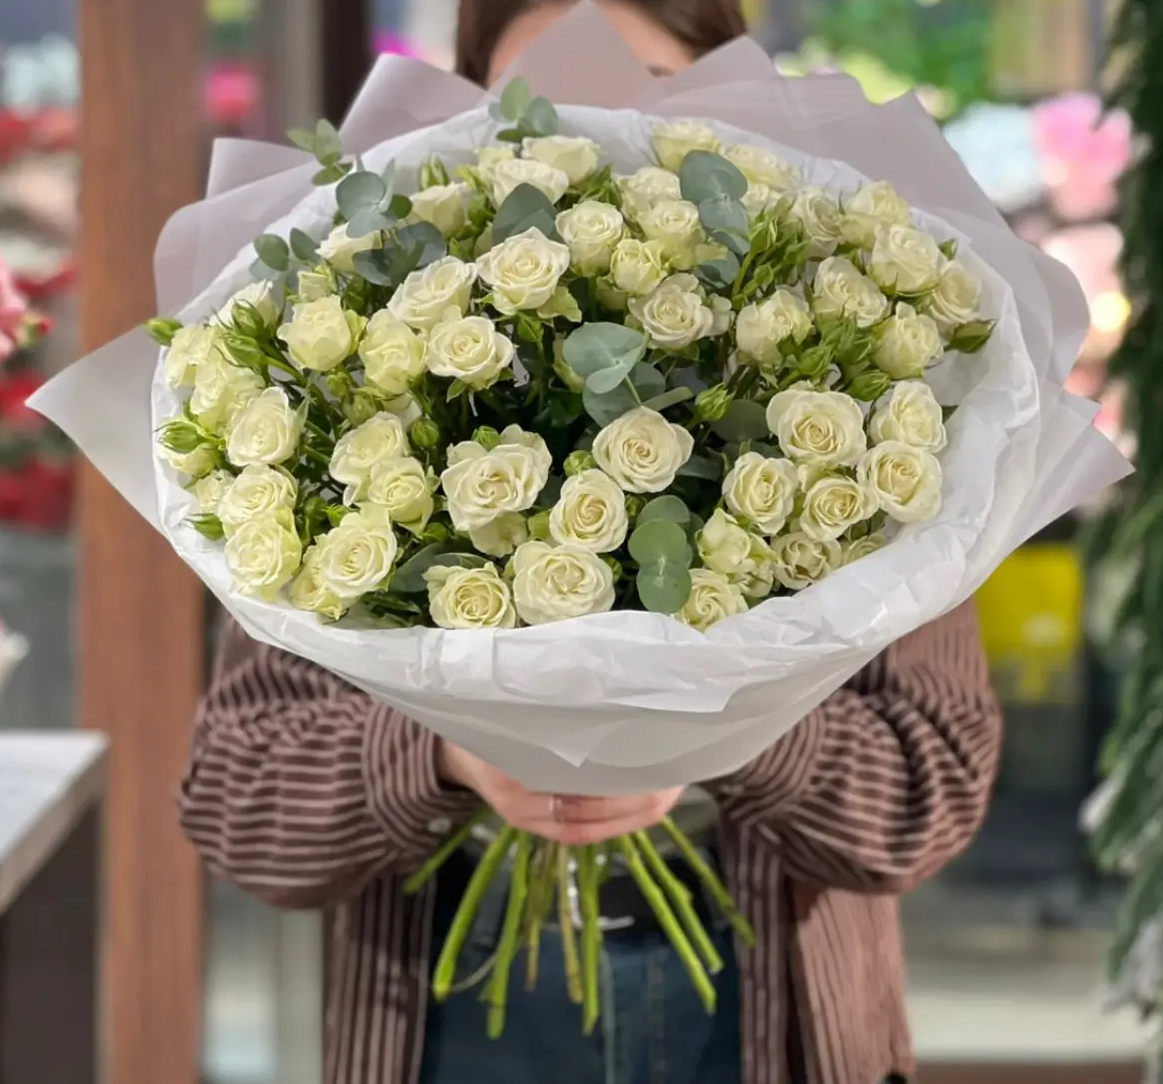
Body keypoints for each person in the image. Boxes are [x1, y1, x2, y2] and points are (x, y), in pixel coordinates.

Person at [178, 3, 1004, 1083]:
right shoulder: (352, 400)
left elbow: (930, 793)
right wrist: (454, 753)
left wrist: (718, 725)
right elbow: (235, 800)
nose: (594, 115)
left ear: (736, 92)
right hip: (452, 1006)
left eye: (650, 79)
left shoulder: (869, 418)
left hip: (764, 1010)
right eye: (538, 91)